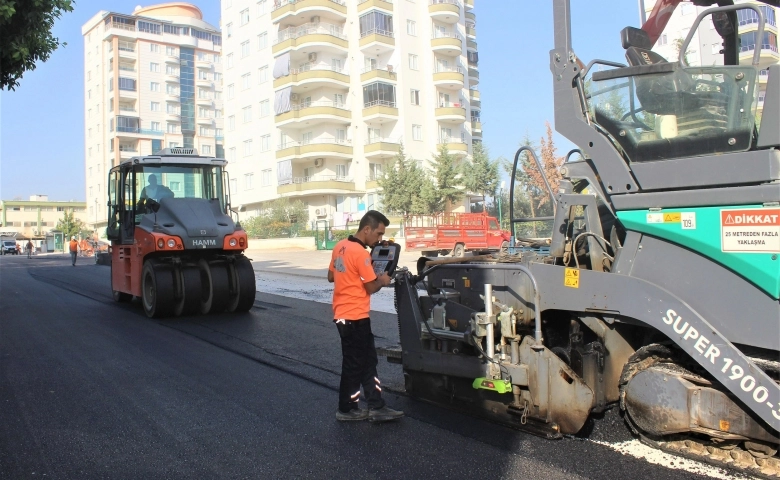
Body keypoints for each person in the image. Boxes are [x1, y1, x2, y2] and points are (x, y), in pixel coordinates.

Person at [327, 210, 403, 423]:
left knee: (366, 361)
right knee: (354, 364)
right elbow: (370, 287)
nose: (379, 239)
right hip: (355, 317)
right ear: (366, 229)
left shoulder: (340, 246)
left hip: (343, 314)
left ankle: (376, 405)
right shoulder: (360, 254)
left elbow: (331, 276)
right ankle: (346, 408)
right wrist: (383, 280)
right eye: (378, 234)